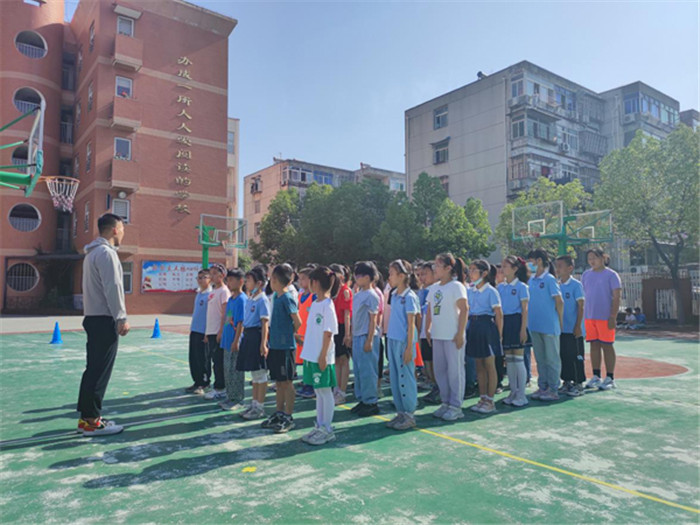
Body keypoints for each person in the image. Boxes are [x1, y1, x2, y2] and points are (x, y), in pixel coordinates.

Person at [78, 213, 130, 436]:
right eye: (123, 228)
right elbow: (114, 287)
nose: (123, 233)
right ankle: (91, 421)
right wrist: (121, 317)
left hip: (92, 317)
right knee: (100, 371)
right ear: (115, 230)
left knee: (93, 369)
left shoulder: (90, 254)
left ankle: (87, 417)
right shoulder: (107, 254)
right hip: (104, 318)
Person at [425, 253, 469, 421]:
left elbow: (464, 309)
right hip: (438, 335)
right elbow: (429, 309)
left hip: (452, 336)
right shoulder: (434, 287)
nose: (434, 268)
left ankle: (456, 406)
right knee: (440, 371)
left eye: (438, 265)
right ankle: (445, 402)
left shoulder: (456, 286)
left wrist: (460, 333)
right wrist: (428, 329)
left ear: (448, 268)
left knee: (455, 371)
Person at [300, 266, 340, 445]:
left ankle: (327, 428)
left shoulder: (327, 305)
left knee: (325, 391)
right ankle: (320, 425)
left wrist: (323, 355)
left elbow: (328, 333)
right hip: (311, 354)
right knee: (318, 391)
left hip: (321, 356)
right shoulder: (315, 303)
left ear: (315, 283)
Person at [261, 264, 302, 433]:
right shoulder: (276, 297)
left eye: (271, 278)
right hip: (275, 346)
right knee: (278, 382)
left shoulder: (287, 298)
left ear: (275, 280)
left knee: (287, 382)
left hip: (286, 347)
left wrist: (288, 334)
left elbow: (297, 322)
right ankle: (279, 412)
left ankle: (288, 416)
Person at [385, 260, 420, 431]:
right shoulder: (394, 295)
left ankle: (409, 414)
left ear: (402, 276)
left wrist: (408, 348)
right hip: (392, 339)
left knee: (406, 376)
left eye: (391, 273)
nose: (389, 277)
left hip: (404, 342)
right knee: (395, 377)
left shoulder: (410, 297)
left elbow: (411, 323)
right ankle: (400, 412)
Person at [466, 260, 503, 414]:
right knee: (479, 365)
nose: (471, 272)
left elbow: (499, 315)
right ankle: (482, 397)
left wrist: (498, 336)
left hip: (486, 326)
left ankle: (490, 399)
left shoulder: (491, 291)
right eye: (470, 269)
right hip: (473, 326)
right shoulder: (471, 290)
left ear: (484, 273)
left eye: (474, 270)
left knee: (489, 364)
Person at [581, 248, 621, 391]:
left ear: (603, 257)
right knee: (594, 346)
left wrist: (613, 316)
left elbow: (617, 297)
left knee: (607, 346)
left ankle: (610, 377)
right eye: (589, 258)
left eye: (594, 257)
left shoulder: (612, 275)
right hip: (589, 317)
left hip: (605, 318)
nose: (592, 261)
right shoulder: (586, 275)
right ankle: (596, 376)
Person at [526, 249, 564, 402]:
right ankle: (543, 387)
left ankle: (554, 389)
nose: (530, 264)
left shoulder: (549, 279)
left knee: (552, 358)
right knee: (541, 359)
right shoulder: (531, 280)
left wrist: (559, 320)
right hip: (535, 325)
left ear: (539, 261)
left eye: (531, 260)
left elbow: (559, 301)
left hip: (549, 326)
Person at [348, 262, 381, 417]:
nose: (356, 278)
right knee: (359, 370)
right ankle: (362, 399)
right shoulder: (358, 294)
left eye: (359, 275)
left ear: (368, 278)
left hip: (367, 336)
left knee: (368, 371)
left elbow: (373, 318)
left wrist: (369, 339)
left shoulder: (372, 295)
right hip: (357, 335)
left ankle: (371, 401)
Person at [237, 267, 271, 420]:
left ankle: (260, 407)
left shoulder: (263, 299)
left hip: (257, 336)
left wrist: (263, 344)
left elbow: (264, 323)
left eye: (249, 280)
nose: (246, 283)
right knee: (254, 375)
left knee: (260, 374)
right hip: (248, 336)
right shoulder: (250, 298)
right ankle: (254, 403)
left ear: (259, 283)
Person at [498, 256, 530, 407]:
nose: (502, 268)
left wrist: (523, 330)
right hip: (505, 322)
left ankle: (522, 394)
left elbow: (525, 310)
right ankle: (513, 391)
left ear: (515, 269)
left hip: (517, 322)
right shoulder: (501, 287)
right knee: (509, 360)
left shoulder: (522, 287)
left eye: (506, 266)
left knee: (518, 360)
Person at [555, 255, 586, 397]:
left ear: (570, 268)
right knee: (564, 356)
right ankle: (566, 381)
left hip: (574, 329)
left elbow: (581, 306)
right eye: (557, 265)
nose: (557, 268)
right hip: (561, 329)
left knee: (576, 356)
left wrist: (578, 326)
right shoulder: (557, 285)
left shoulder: (576, 285)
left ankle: (578, 384)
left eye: (560, 265)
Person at [219, 269, 247, 411]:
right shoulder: (231, 299)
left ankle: (238, 399)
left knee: (236, 371)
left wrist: (236, 341)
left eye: (231, 280)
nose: (228, 283)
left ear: (240, 281)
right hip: (227, 340)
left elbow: (241, 322)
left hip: (235, 342)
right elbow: (228, 319)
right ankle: (230, 396)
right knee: (228, 370)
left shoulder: (242, 300)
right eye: (227, 280)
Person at [203, 263, 231, 401]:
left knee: (219, 361)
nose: (212, 276)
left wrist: (221, 331)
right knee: (214, 360)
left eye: (214, 274)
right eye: (211, 273)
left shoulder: (224, 291)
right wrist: (207, 333)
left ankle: (221, 388)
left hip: (218, 332)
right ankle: (218, 386)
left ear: (222, 275)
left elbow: (225, 314)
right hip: (211, 331)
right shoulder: (213, 291)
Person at [186, 269, 211, 395]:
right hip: (195, 330)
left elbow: (211, 315)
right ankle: (197, 381)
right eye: (199, 277)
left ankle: (204, 383)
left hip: (204, 332)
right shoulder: (199, 294)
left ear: (209, 279)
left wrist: (207, 332)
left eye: (203, 277)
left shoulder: (210, 295)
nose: (200, 280)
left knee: (203, 358)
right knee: (194, 358)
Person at [418, 262, 440, 405]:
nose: (422, 277)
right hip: (423, 332)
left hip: (434, 331)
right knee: (427, 360)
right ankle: (432, 384)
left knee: (434, 361)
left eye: (425, 274)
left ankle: (438, 388)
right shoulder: (423, 290)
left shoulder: (435, 290)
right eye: (420, 274)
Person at [331, 263, 353, 405]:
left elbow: (347, 315)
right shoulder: (332, 291)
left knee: (344, 360)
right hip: (334, 328)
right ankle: (337, 389)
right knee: (337, 360)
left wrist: (347, 334)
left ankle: (342, 391)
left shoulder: (346, 291)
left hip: (342, 327)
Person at [295, 266, 316, 399]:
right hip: (301, 334)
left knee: (311, 361)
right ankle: (307, 383)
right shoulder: (300, 295)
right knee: (305, 361)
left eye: (303, 278)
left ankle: (312, 385)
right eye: (300, 278)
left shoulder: (314, 297)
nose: (300, 281)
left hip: (310, 334)